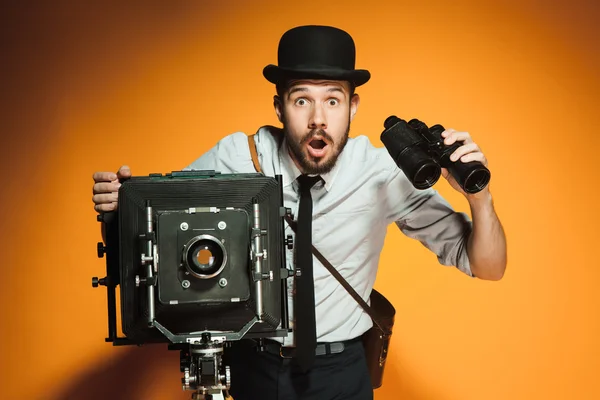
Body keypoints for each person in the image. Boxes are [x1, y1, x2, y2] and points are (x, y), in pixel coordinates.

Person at [92, 25, 507, 400]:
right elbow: (160, 234)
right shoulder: (240, 156)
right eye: (301, 100)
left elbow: (488, 266)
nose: (318, 119)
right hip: (254, 365)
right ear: (278, 107)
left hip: (342, 371)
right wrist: (119, 208)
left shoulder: (381, 173)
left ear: (353, 106)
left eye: (332, 100)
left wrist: (479, 197)